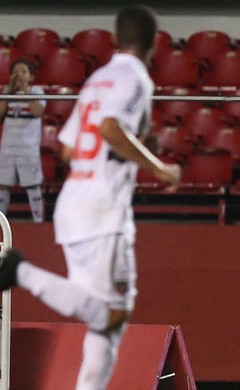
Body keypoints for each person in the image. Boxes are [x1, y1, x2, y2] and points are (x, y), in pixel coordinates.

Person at [0, 5, 181, 390]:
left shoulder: (98, 78)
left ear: (114, 40)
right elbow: (112, 129)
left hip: (74, 202)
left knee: (104, 322)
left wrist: (132, 146)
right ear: (152, 44)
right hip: (102, 208)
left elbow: (67, 149)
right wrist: (158, 167)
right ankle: (20, 272)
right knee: (111, 314)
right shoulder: (136, 78)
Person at [0, 58, 46, 222]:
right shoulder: (6, 92)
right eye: (16, 72)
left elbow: (37, 111)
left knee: (32, 185)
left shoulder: (37, 91)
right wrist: (8, 92)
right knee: (2, 184)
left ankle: (38, 221)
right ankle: (2, 222)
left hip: (28, 147)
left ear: (31, 76)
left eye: (24, 72)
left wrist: (25, 90)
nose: (19, 75)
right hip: (8, 146)